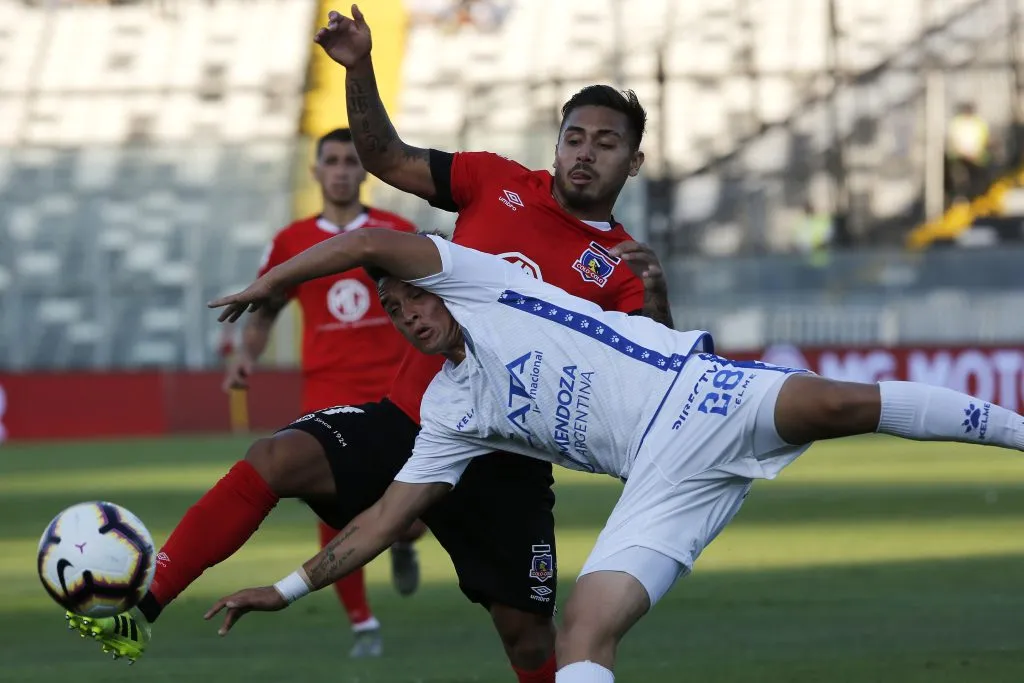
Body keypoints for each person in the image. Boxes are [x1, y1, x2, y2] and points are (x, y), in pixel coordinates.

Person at [64, 7, 671, 681]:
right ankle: (140, 607)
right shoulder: (494, 180)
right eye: (573, 137)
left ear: (634, 161)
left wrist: (657, 299)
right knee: (274, 458)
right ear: (555, 144)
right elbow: (387, 157)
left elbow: (650, 380)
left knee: (529, 641)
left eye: (605, 143)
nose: (584, 152)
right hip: (411, 419)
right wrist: (358, 68)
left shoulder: (624, 267)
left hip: (508, 460)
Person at [204, 227, 1024, 683]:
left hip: (704, 394)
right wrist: (285, 588)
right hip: (659, 478)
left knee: (844, 403)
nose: (408, 312)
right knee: (583, 631)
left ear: (437, 281)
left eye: (412, 293)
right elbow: (384, 519)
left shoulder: (482, 282)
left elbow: (372, 239)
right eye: (392, 308)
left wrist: (272, 282)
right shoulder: (451, 413)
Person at [219, 127, 421, 657]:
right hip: (328, 394)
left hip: (397, 391)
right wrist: (247, 357)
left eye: (351, 161)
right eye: (331, 161)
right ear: (316, 171)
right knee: (334, 510)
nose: (341, 170)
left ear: (364, 171)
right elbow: (266, 309)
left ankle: (405, 538)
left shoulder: (396, 231)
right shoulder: (291, 241)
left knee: (417, 506)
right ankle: (363, 624)